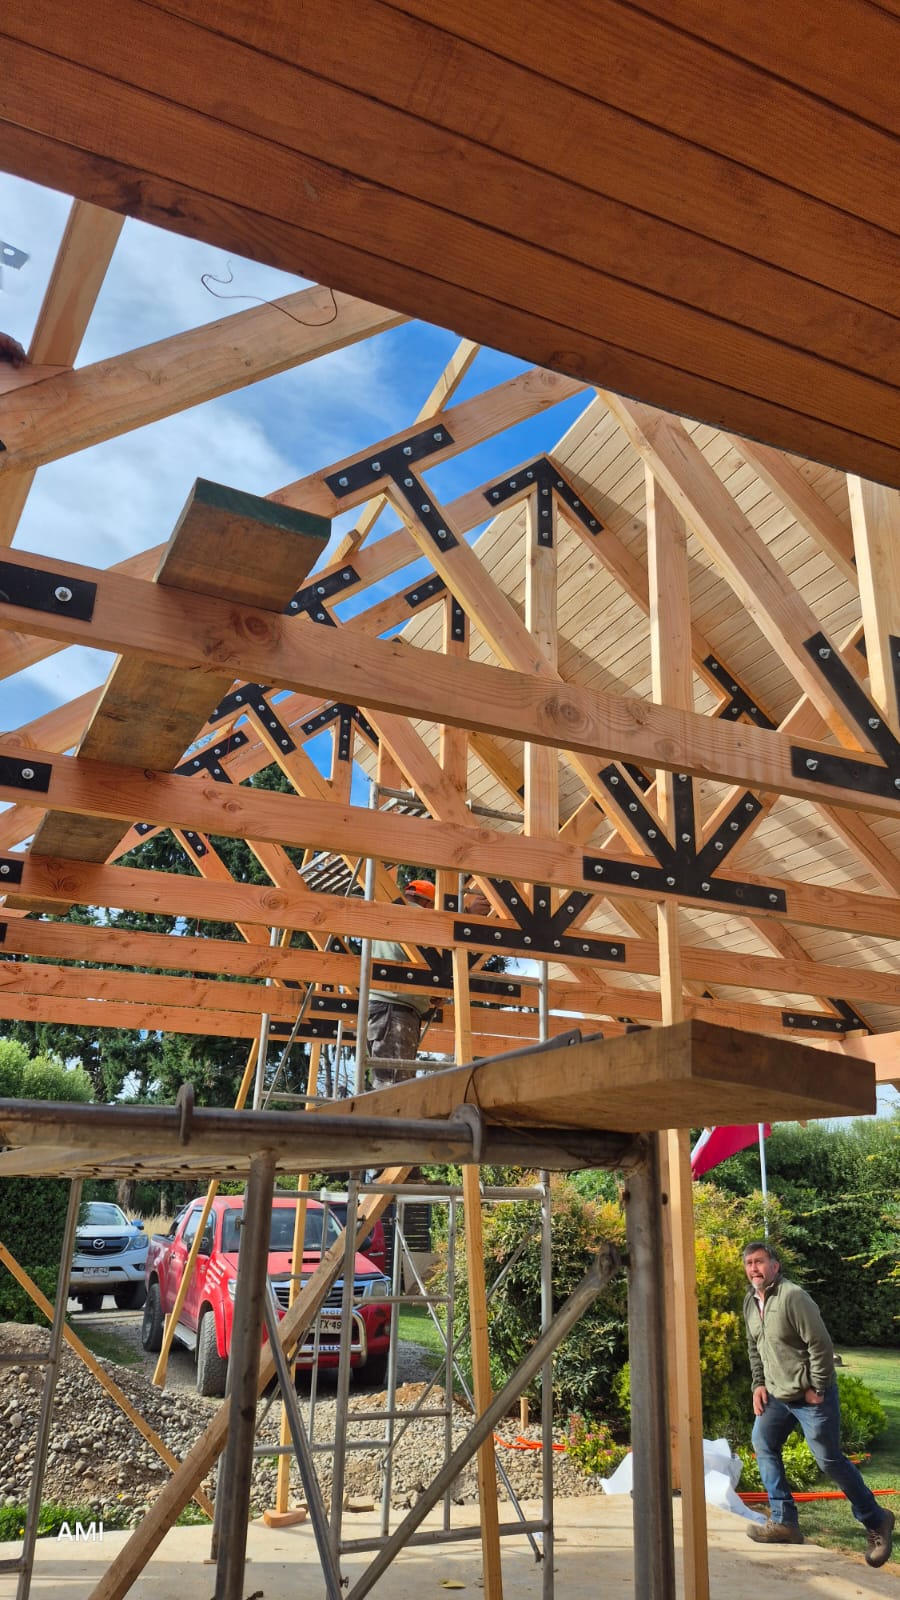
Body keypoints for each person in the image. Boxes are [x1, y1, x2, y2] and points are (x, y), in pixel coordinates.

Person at [742, 1239, 894, 1565]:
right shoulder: (750, 1302)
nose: (754, 1268)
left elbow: (820, 1344)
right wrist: (758, 1384)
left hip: (810, 1396)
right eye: (749, 1263)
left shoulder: (793, 1297)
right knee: (763, 1443)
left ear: (775, 1266)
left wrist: (819, 1387)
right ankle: (785, 1523)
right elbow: (755, 1348)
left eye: (760, 1261)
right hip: (778, 1395)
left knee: (829, 1461)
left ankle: (876, 1519)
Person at [366, 878, 436, 1090]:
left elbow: (406, 957)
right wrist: (467, 912)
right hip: (395, 1009)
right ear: (428, 903)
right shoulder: (420, 916)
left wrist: (429, 992)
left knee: (386, 1079)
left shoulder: (388, 916)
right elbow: (444, 944)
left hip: (381, 1007)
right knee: (396, 1084)